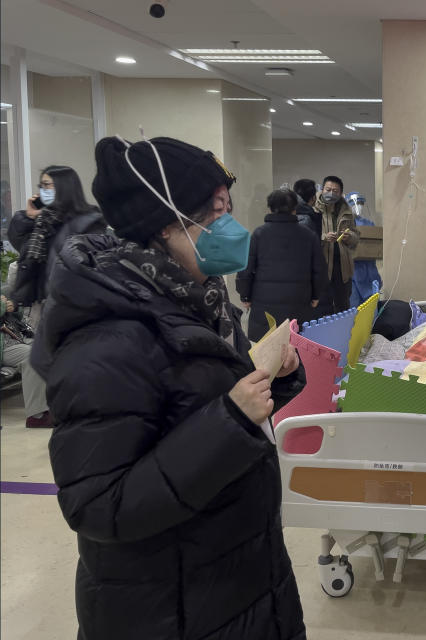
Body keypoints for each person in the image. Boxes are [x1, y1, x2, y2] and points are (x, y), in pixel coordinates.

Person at [31, 135, 307, 640]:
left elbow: (205, 409)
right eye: (216, 212)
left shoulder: (199, 299)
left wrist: (273, 380)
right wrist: (230, 419)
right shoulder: (106, 341)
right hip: (168, 606)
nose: (231, 226)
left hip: (232, 575)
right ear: (166, 225)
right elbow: (99, 505)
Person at [237, 188, 330, 340]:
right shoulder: (308, 236)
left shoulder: (259, 234)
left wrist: (245, 295)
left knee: (266, 353)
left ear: (270, 208)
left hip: (264, 309)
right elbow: (319, 270)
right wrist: (315, 296)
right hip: (299, 305)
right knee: (296, 350)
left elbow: (245, 269)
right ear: (295, 208)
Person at [9, 165, 106, 307]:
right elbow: (19, 242)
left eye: (46, 185)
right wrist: (29, 217)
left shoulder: (89, 222)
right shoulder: (44, 220)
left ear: (64, 187)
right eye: (40, 185)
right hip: (41, 302)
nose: (42, 190)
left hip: (70, 303)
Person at [298, 175, 358, 312]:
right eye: (328, 189)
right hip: (321, 267)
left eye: (335, 191)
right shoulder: (313, 209)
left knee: (343, 307)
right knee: (320, 308)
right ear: (322, 189)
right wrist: (324, 237)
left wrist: (349, 237)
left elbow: (356, 238)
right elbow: (304, 239)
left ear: (341, 193)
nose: (331, 193)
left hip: (343, 269)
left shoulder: (347, 211)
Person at [0, 293, 50, 427]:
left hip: (16, 337)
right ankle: (37, 416)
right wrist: (2, 305)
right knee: (33, 356)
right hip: (4, 345)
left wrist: (13, 307)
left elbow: (18, 316)